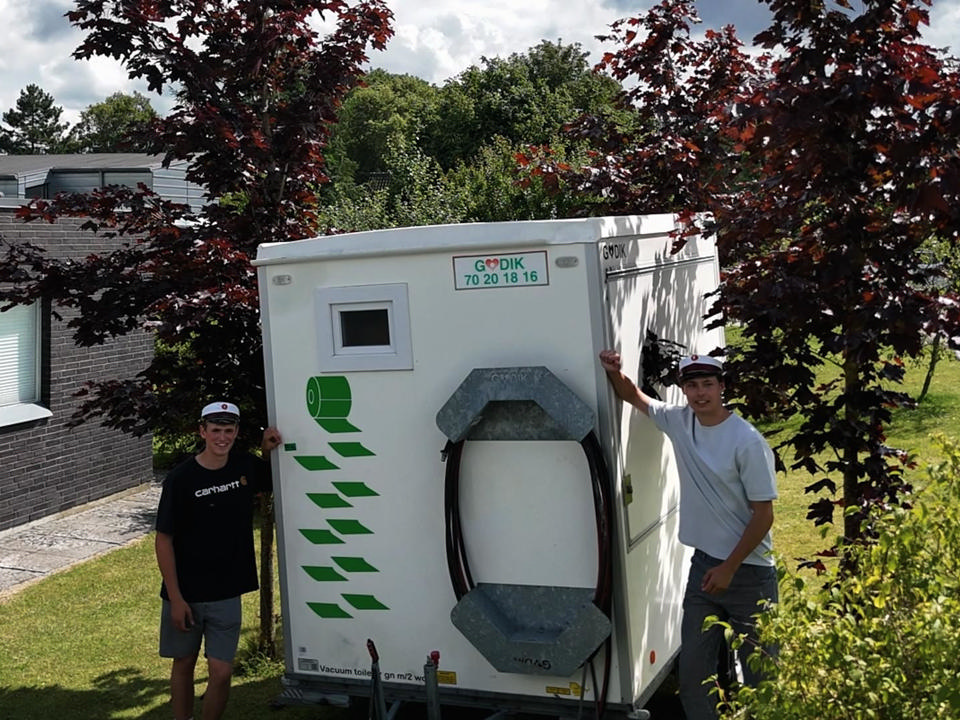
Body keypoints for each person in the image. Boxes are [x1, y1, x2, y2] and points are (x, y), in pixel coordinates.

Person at [598, 350, 777, 720]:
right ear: (683, 390)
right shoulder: (680, 421)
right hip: (704, 570)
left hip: (750, 575)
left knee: (762, 680)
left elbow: (764, 516)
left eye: (708, 384)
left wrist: (729, 567)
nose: (700, 393)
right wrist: (613, 371)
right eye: (692, 386)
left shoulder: (746, 441)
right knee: (694, 678)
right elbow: (633, 395)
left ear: (722, 386)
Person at [155, 401, 282, 720]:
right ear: (202, 432)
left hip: (227, 591)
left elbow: (270, 477)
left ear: (236, 432)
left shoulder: (245, 465)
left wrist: (266, 450)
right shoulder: (180, 479)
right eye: (215, 430)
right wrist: (176, 598)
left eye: (228, 430)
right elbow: (163, 540)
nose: (222, 437)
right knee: (184, 663)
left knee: (222, 671)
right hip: (186, 593)